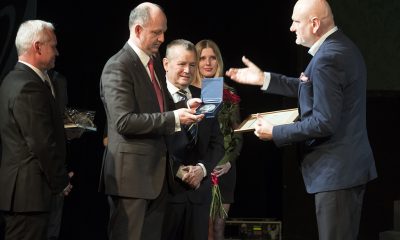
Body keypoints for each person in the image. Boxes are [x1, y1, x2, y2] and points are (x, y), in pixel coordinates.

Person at [226, 0, 377, 239]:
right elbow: (308, 86)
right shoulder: (337, 47)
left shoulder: (329, 57)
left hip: (337, 171)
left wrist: (276, 132)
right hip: (343, 170)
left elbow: (324, 121)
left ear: (314, 23)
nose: (291, 28)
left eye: (296, 21)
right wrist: (263, 78)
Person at [98, 3, 203, 240]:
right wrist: (174, 117)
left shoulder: (153, 63)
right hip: (131, 181)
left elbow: (159, 106)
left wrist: (184, 107)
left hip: (156, 179)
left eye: (163, 31)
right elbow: (124, 122)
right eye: (156, 32)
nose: (162, 38)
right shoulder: (118, 66)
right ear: (137, 30)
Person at [0, 19, 72, 240]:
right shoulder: (28, 85)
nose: (57, 52)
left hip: (28, 195)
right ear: (37, 47)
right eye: (53, 45)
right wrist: (61, 182)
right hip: (29, 196)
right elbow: (40, 143)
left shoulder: (15, 79)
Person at [161, 39, 225, 240]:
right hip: (165, 195)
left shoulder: (208, 95)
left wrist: (202, 169)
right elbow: (152, 144)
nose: (187, 70)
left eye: (192, 65)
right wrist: (178, 171)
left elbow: (217, 143)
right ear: (166, 64)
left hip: (199, 194)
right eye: (181, 64)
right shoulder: (155, 97)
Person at [193, 39, 243, 240]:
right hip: (199, 167)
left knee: (218, 228)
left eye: (212, 58)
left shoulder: (227, 92)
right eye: (202, 58)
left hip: (224, 168)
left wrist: (229, 161)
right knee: (203, 229)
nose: (208, 63)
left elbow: (236, 133)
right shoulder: (187, 91)